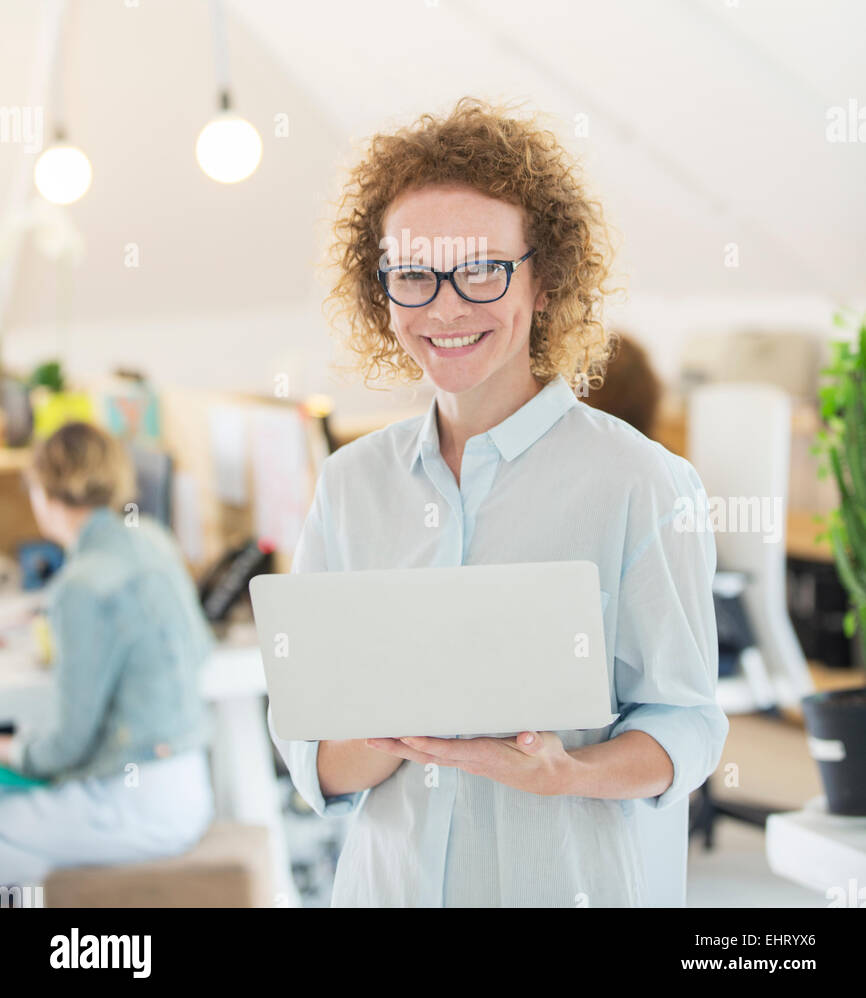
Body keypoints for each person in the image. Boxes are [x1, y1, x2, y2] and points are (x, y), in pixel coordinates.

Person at [268, 96, 728, 908]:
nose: (446, 307)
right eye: (413, 274)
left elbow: (688, 724)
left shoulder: (640, 484)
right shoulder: (350, 485)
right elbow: (309, 746)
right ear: (382, 292)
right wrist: (386, 733)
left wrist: (566, 773)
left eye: (482, 268)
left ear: (544, 278)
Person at [0, 421, 216, 888]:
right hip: (190, 785)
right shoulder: (154, 540)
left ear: (44, 492)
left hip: (134, 804)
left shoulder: (80, 588)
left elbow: (67, 744)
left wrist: (14, 749)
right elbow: (198, 647)